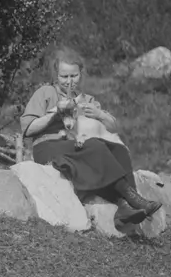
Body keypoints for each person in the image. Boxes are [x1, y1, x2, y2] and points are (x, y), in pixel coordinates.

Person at [20, 46, 162, 225]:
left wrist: (100, 115)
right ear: (56, 75)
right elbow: (28, 129)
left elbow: (114, 127)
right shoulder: (45, 93)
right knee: (95, 146)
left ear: (81, 74)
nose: (69, 81)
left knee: (119, 150)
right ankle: (133, 199)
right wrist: (54, 113)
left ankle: (124, 206)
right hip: (49, 146)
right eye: (64, 76)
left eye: (74, 76)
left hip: (80, 148)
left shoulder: (87, 100)